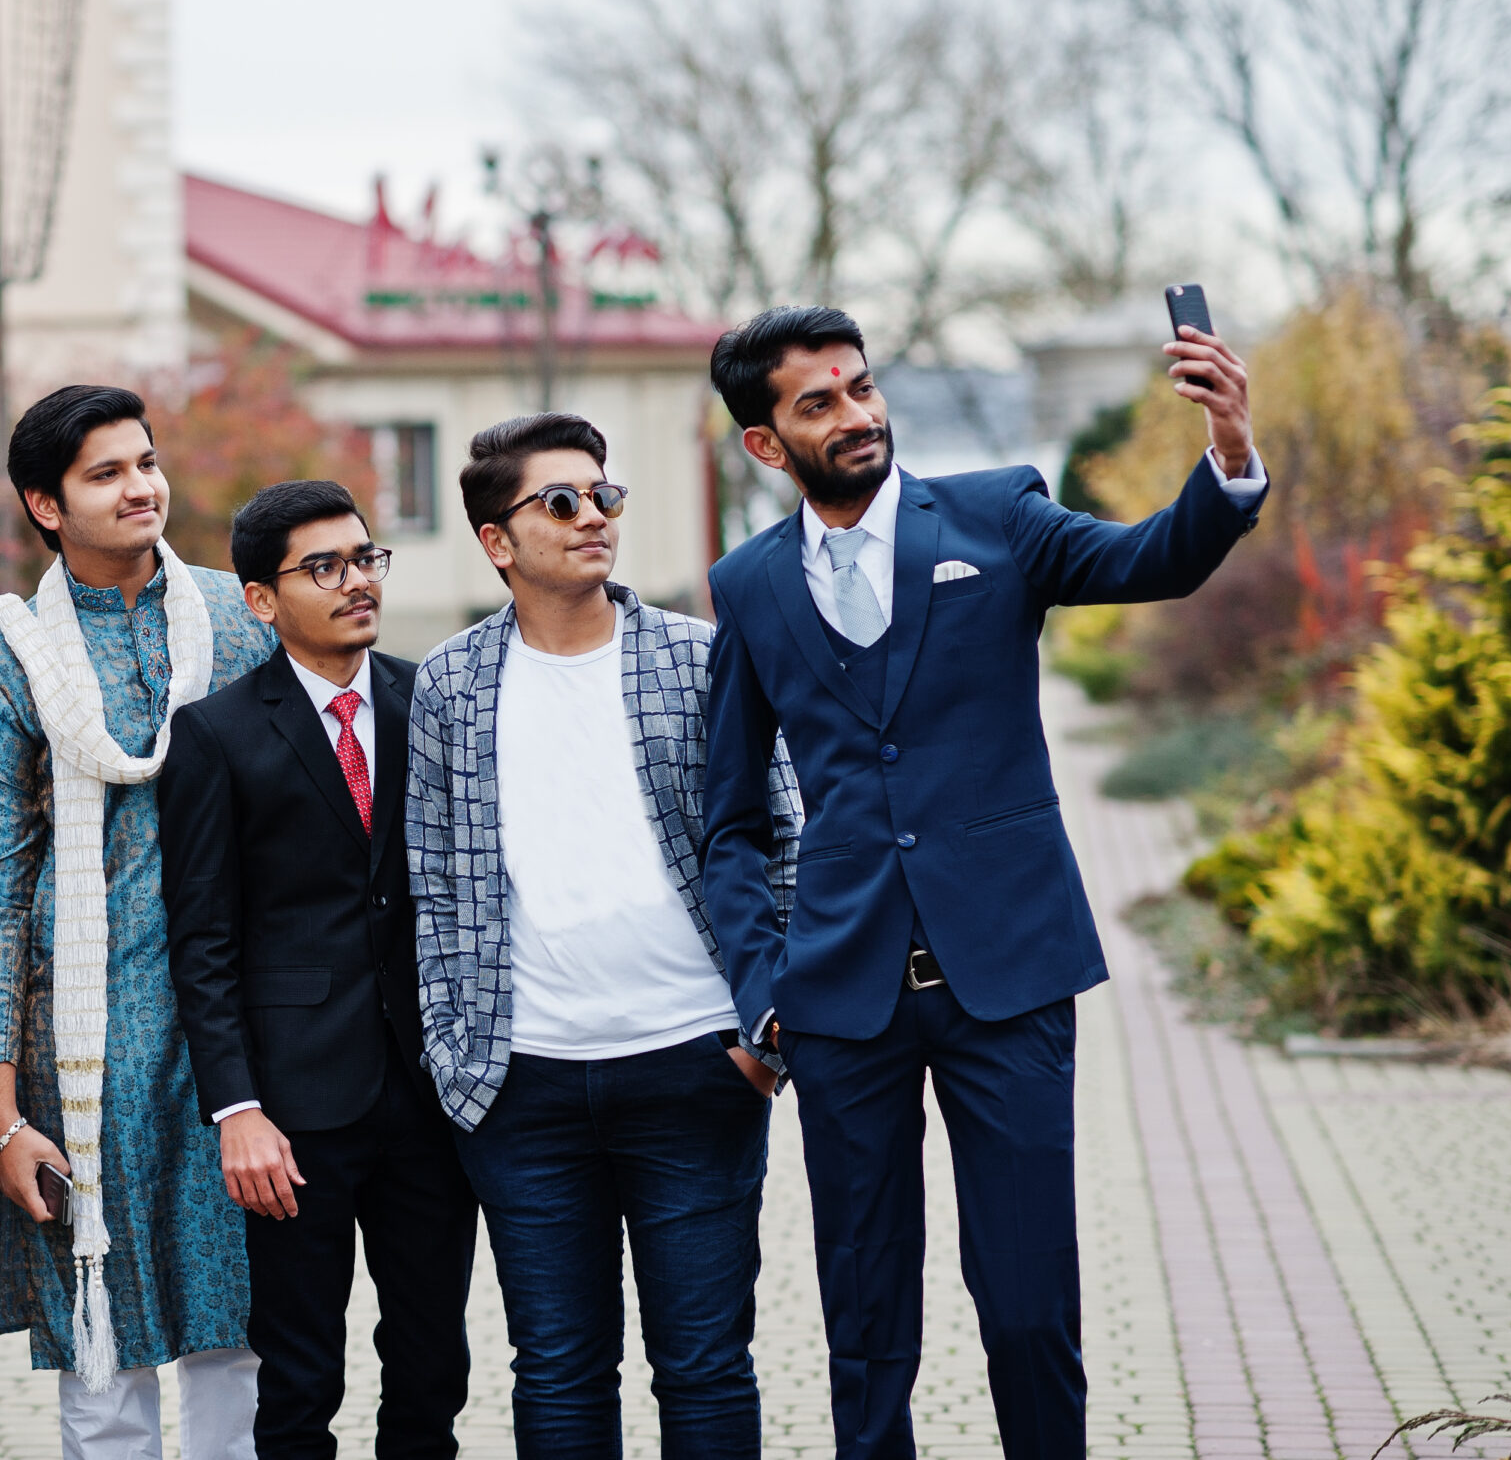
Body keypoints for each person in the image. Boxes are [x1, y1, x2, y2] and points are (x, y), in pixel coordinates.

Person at [699, 304, 1267, 1460]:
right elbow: (730, 820)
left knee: (1026, 1306)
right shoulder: (747, 585)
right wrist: (763, 985)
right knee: (864, 1321)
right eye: (819, 403)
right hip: (840, 999)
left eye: (860, 386)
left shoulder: (997, 513)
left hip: (1004, 978)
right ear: (765, 442)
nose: (857, 414)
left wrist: (1228, 453)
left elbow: (1152, 556)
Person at [407, 412, 801, 1460]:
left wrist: (770, 1029)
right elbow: (435, 881)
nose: (594, 517)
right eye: (561, 501)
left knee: (707, 1366)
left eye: (604, 494)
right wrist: (459, 1056)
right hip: (521, 1084)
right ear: (497, 539)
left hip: (696, 1064)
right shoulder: (450, 682)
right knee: (560, 1370)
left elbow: (780, 843)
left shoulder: (701, 658)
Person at [0, 384, 277, 1460]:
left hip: (239, 1030)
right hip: (88, 1045)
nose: (142, 485)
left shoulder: (241, 619)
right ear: (46, 504)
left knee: (242, 1322)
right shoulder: (11, 653)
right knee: (101, 1319)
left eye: (145, 460)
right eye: (106, 472)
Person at [158, 481, 479, 1460]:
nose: (355, 582)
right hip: (294, 1105)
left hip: (430, 1091)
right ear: (262, 598)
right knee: (299, 1372)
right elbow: (201, 941)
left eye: (365, 558)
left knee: (433, 1360)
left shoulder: (429, 699)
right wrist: (237, 1108)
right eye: (323, 567)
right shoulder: (215, 734)